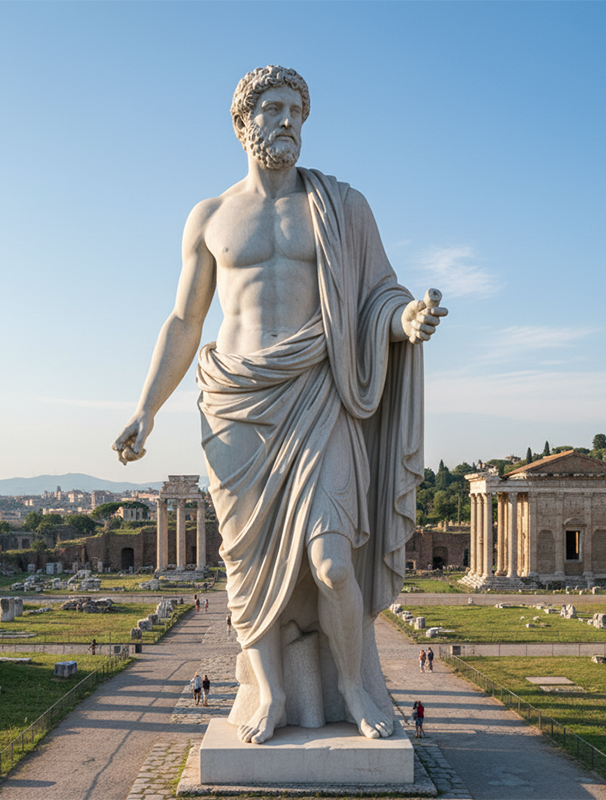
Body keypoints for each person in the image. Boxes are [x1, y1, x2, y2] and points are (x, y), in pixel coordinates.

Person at [113, 65, 446, 745]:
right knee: (246, 562)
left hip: (321, 395)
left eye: (298, 108)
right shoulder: (210, 216)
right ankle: (265, 692)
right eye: (273, 107)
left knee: (332, 562)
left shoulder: (342, 206)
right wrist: (146, 407)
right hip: (234, 405)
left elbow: (377, 295)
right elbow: (184, 321)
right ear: (243, 122)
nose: (288, 119)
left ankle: (354, 685)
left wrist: (403, 322)